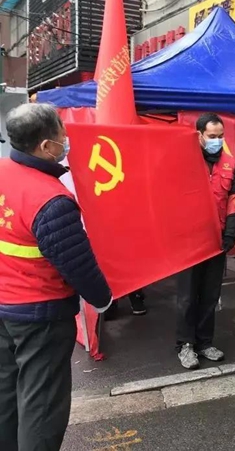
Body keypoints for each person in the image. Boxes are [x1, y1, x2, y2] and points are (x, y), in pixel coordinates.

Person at [0, 104, 113, 451]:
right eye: (62, 134)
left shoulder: (3, 171)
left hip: (5, 305)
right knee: (42, 403)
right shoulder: (51, 199)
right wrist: (103, 298)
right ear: (46, 146)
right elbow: (76, 264)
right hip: (41, 315)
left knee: (6, 392)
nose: (66, 140)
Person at [176, 113, 235, 369]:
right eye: (212, 136)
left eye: (220, 136)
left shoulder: (230, 164)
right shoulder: (183, 161)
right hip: (189, 241)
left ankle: (205, 342)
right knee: (187, 297)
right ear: (200, 136)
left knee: (210, 294)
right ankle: (185, 344)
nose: (217, 140)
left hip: (216, 240)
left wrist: (231, 233)